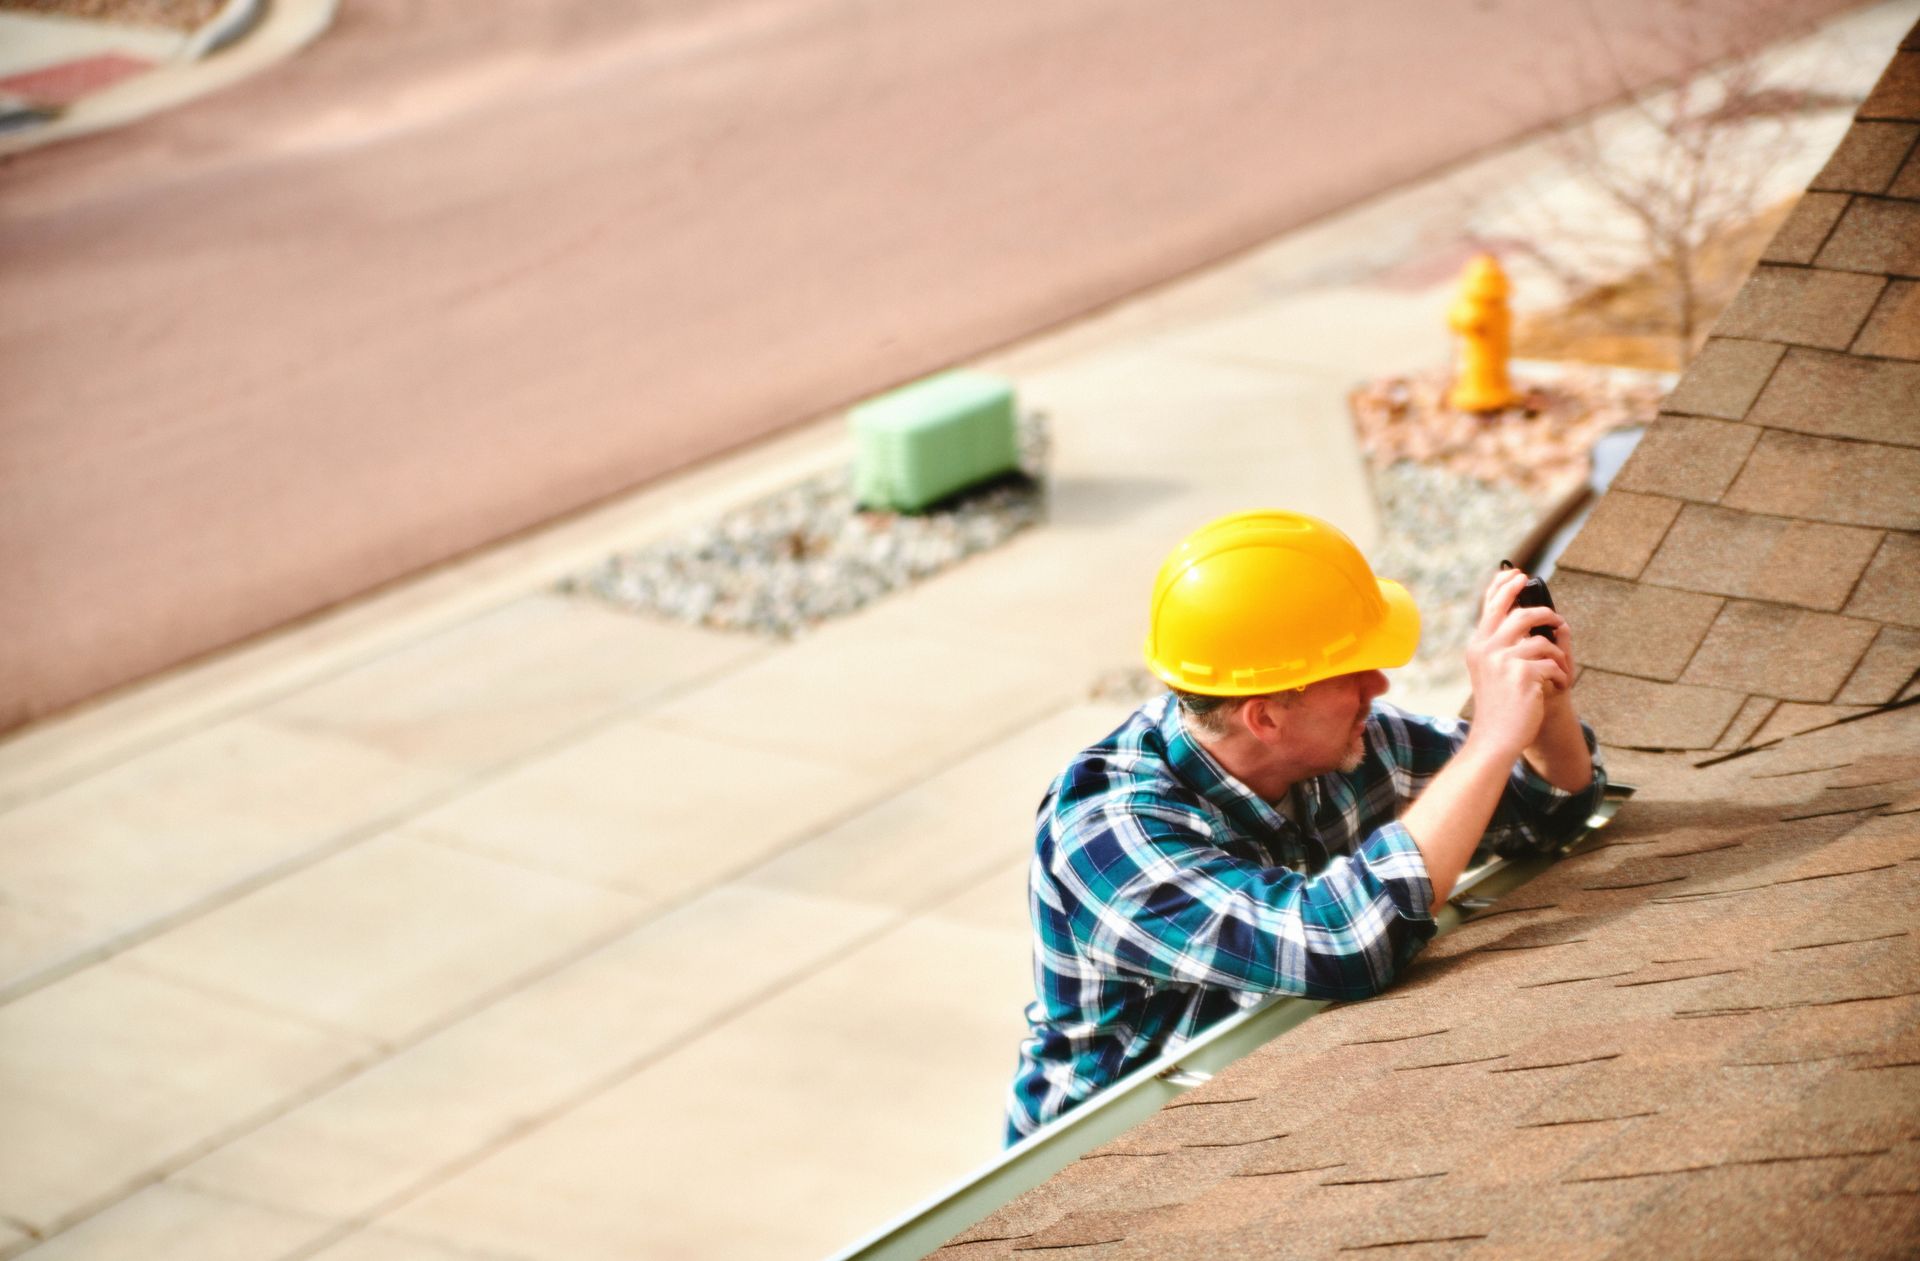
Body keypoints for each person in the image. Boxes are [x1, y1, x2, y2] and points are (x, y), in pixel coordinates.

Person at [1005, 510, 1603, 1144]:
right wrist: (1490, 740)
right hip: (1100, 1166)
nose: (1381, 683)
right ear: (1265, 718)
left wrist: (1543, 705)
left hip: (1255, 1096)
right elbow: (1340, 944)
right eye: (1352, 672)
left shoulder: (1342, 742)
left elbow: (1549, 808)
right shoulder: (1106, 835)